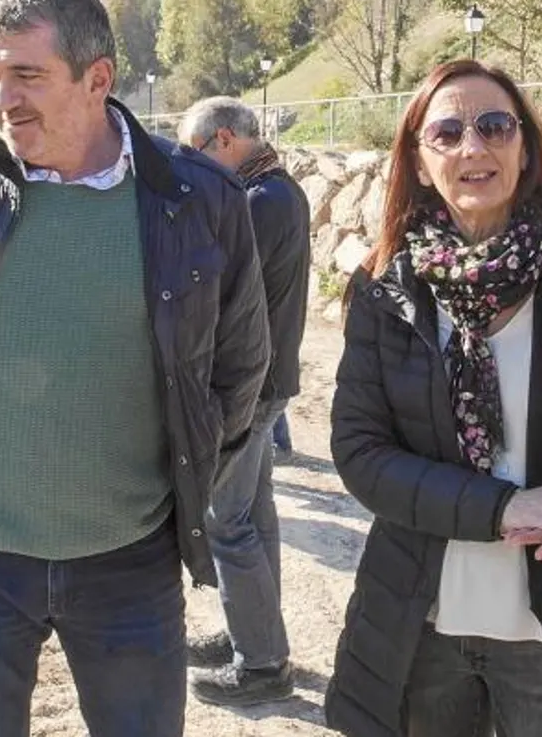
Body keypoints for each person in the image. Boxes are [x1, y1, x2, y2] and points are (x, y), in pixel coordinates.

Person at [0, 0, 271, 737]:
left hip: (128, 561)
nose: (3, 97)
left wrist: (190, 472)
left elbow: (241, 367)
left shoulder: (200, 197)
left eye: (27, 75)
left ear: (97, 79)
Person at [325, 60, 542, 737]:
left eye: (494, 126)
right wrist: (507, 507)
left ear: (526, 148)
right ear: (421, 162)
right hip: (421, 621)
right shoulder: (384, 292)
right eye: (447, 132)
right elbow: (361, 453)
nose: (473, 148)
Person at [175, 96, 311, 706]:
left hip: (251, 387)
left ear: (223, 139)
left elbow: (212, 280)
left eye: (195, 154)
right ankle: (254, 636)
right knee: (254, 516)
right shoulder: (280, 190)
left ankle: (261, 665)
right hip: (271, 382)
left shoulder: (255, 204)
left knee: (226, 521)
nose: (192, 170)